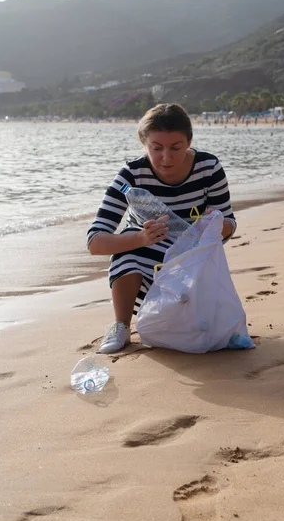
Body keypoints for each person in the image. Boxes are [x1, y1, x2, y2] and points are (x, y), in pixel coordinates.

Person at [87, 103, 237, 354]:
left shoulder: (208, 167)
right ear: (144, 144)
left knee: (200, 328)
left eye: (176, 148)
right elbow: (95, 242)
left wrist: (217, 225)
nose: (166, 157)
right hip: (146, 263)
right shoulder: (132, 174)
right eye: (156, 148)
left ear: (188, 142)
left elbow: (230, 225)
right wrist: (141, 237)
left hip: (192, 261)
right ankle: (121, 326)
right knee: (127, 246)